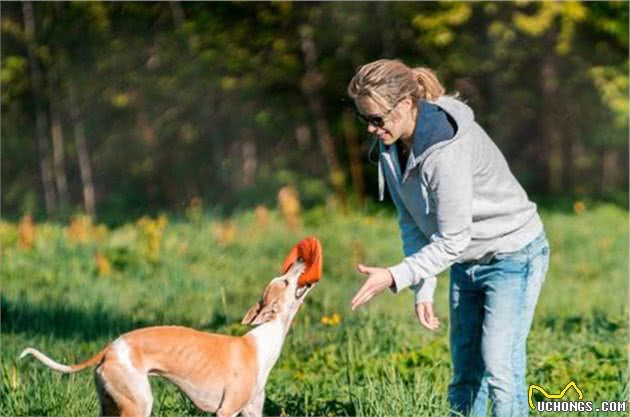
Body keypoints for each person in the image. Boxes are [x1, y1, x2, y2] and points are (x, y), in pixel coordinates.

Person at [347, 59, 550, 417]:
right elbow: (412, 222)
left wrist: (395, 275)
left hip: (512, 255)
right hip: (464, 262)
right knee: (465, 373)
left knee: (500, 367)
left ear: (407, 105)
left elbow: (453, 239)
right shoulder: (391, 145)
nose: (372, 129)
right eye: (365, 120)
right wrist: (423, 286)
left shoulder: (446, 150)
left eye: (377, 119)